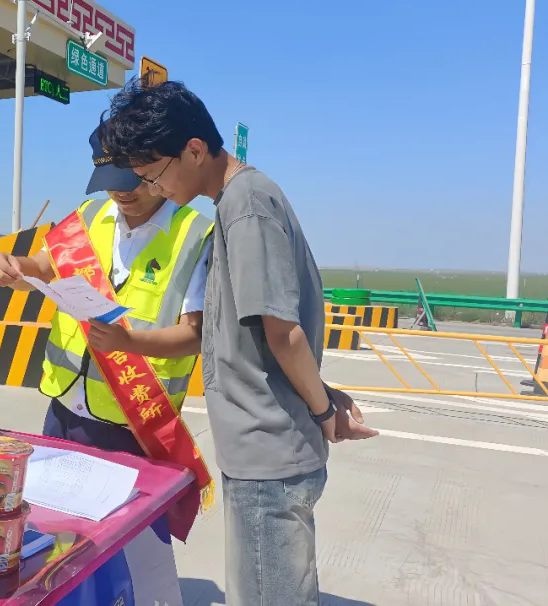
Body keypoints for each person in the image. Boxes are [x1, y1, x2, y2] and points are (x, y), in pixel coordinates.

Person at [99, 79, 377, 606]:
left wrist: (322, 411)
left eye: (154, 174)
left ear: (195, 150)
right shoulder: (236, 200)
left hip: (267, 456)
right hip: (261, 448)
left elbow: (281, 330)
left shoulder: (246, 204)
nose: (153, 189)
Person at [0, 120, 214, 605]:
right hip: (64, 409)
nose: (120, 195)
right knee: (54, 535)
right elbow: (45, 267)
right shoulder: (92, 212)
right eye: (108, 183)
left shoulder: (196, 233)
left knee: (123, 546)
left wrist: (130, 343)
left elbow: (196, 334)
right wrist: (13, 267)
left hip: (134, 421)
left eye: (129, 182)